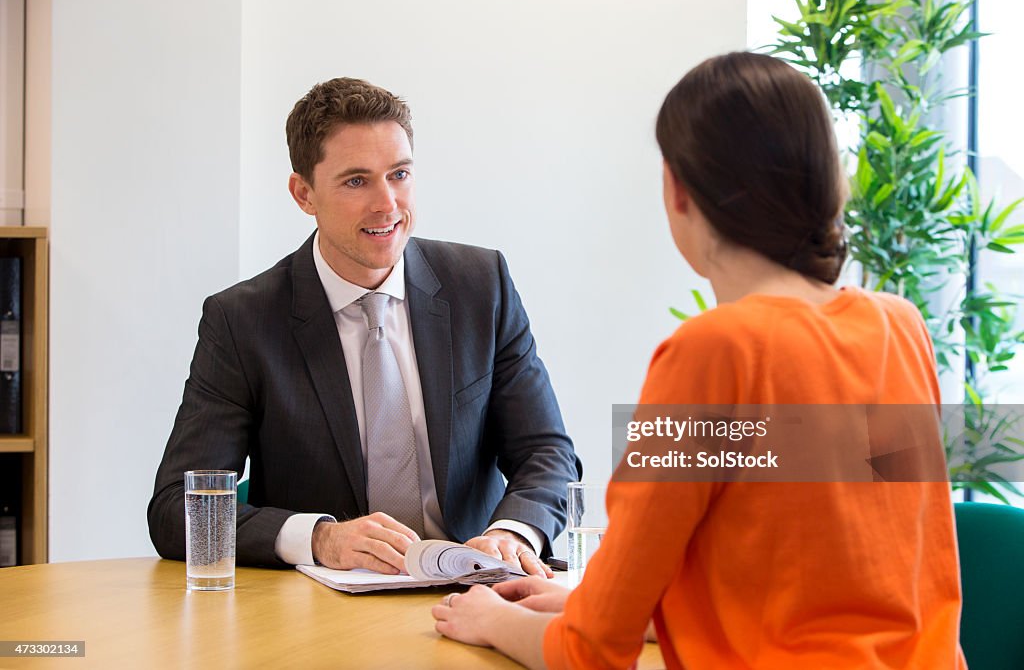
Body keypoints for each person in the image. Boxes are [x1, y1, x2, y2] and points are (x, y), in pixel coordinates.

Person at [430, 52, 967, 668]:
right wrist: (583, 602)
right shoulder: (898, 325)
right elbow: (833, 585)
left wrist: (494, 619)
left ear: (678, 190)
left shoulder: (713, 351)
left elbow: (589, 653)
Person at [148, 78, 581, 576]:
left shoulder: (481, 287)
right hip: (324, 612)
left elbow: (547, 453)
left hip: (475, 591)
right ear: (303, 194)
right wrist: (320, 537)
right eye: (357, 181)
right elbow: (177, 509)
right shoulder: (243, 321)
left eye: (398, 174)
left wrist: (511, 533)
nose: (387, 204)